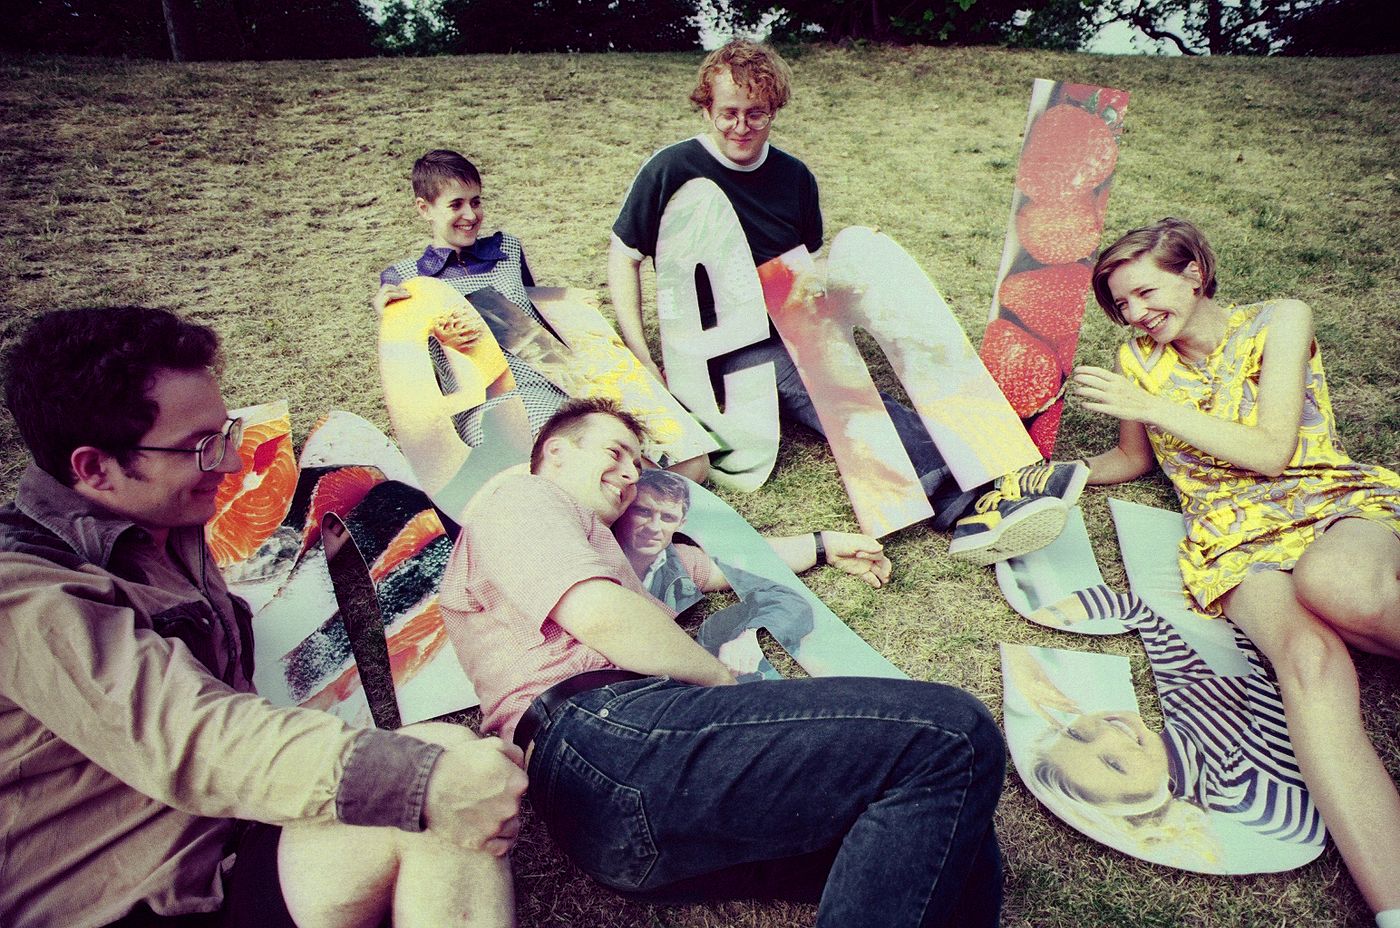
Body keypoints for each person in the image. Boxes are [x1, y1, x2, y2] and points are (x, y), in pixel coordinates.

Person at [0, 307, 525, 928]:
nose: (227, 464)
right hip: (134, 901)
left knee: (441, 756)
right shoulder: (27, 593)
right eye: (200, 448)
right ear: (94, 469)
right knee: (425, 789)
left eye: (226, 434)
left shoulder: (163, 523)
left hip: (227, 851)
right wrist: (420, 783)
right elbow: (192, 736)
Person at [437, 396, 1004, 927]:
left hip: (619, 831)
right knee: (951, 734)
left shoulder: (602, 551)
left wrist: (825, 545)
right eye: (615, 453)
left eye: (639, 462)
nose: (633, 474)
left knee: (958, 844)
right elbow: (598, 613)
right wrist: (719, 682)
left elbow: (712, 568)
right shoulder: (524, 498)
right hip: (606, 738)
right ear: (555, 451)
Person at [608, 38, 1087, 566]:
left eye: (756, 114)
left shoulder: (792, 176)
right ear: (706, 107)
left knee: (878, 312)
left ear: (774, 110)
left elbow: (806, 263)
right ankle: (966, 501)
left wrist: (857, 286)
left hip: (790, 309)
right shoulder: (673, 168)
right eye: (728, 114)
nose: (740, 127)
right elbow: (623, 257)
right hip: (724, 342)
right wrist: (642, 356)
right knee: (834, 386)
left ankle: (1001, 455)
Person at [1071, 217, 1400, 926]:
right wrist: (1050, 475)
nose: (1134, 314)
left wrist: (1149, 406)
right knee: (1307, 662)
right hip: (1230, 531)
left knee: (1339, 587)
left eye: (1145, 292)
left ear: (1193, 271)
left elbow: (1272, 450)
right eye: (1121, 304)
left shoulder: (1280, 320)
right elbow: (1133, 460)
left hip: (1323, 494)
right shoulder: (1139, 362)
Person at [1006, 593, 1322, 853]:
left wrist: (1024, 652)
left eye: (1077, 733)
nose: (1109, 736)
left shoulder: (1183, 706)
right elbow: (1315, 818)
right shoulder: (1241, 789)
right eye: (1115, 764)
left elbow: (1138, 610)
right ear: (1149, 806)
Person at [613, 467, 890, 612]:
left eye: (668, 518)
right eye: (644, 512)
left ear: (680, 524)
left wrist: (824, 545)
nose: (654, 527)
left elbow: (733, 564)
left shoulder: (669, 562)